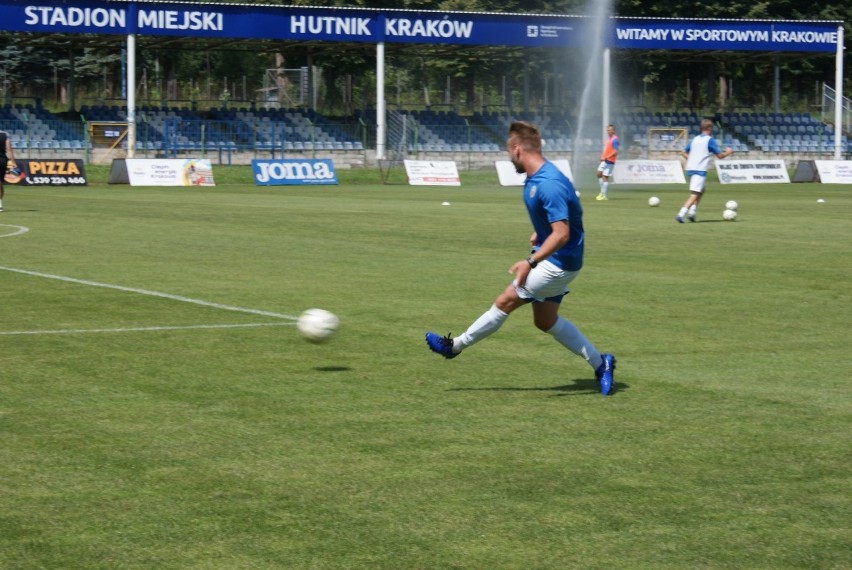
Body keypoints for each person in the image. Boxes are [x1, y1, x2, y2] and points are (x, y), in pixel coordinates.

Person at [425, 121, 616, 396]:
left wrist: (531, 261)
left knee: (504, 301)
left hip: (558, 263)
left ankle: (454, 346)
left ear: (517, 149)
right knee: (546, 321)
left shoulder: (548, 183)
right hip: (561, 259)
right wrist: (540, 232)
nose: (509, 158)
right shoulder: (539, 177)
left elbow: (561, 234)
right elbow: (567, 217)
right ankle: (602, 364)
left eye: (508, 153)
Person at [676, 118, 733, 223]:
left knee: (701, 190)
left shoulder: (695, 139)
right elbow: (720, 156)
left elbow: (683, 152)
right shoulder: (709, 140)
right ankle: (681, 214)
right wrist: (728, 152)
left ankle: (692, 213)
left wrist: (692, 160)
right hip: (699, 170)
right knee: (695, 193)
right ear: (709, 128)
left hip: (691, 169)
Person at [595, 124, 619, 201]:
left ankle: (603, 193)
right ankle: (604, 195)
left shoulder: (615, 139)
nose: (608, 132)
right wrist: (603, 156)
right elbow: (607, 149)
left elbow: (615, 152)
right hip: (607, 160)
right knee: (604, 177)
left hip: (609, 160)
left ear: (613, 131)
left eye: (609, 130)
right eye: (607, 130)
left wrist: (606, 157)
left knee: (599, 173)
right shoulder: (609, 139)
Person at [0, 129, 17, 212]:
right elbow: (8, 149)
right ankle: (0, 204)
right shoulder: (5, 134)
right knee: (0, 183)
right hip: (2, 160)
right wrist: (13, 162)